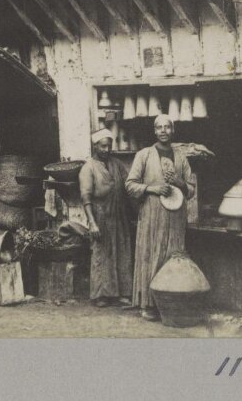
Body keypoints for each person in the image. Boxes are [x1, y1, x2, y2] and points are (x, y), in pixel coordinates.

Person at [125, 114, 195, 321]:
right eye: (159, 127)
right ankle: (148, 304)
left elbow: (192, 189)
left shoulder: (181, 156)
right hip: (152, 214)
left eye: (167, 127)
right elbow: (129, 185)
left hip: (176, 216)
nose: (163, 131)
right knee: (151, 256)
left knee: (172, 257)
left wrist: (179, 182)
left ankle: (170, 302)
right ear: (154, 131)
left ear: (173, 130)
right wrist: (153, 188)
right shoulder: (144, 155)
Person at [79, 128, 133, 308]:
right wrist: (92, 223)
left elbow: (129, 186)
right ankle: (101, 295)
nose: (106, 150)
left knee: (122, 251)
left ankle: (122, 293)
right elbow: (86, 198)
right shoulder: (89, 168)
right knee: (102, 254)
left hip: (119, 215)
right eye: (102, 146)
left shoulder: (117, 164)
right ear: (95, 146)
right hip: (100, 215)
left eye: (108, 146)